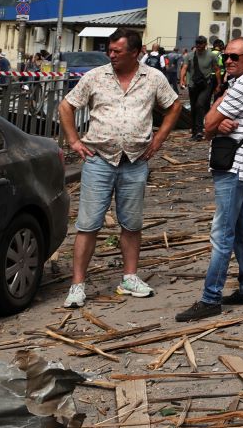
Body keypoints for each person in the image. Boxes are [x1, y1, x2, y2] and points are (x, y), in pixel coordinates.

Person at [58, 28, 181, 308]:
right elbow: (66, 106)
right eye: (110, 51)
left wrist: (159, 139)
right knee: (88, 224)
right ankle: (77, 285)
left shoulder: (153, 78)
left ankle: (129, 277)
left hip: (135, 161)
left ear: (136, 53)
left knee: (132, 223)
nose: (111, 55)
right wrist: (74, 141)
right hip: (99, 159)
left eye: (118, 51)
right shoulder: (95, 77)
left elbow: (174, 106)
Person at [175, 38, 243, 321]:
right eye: (225, 57)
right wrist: (217, 118)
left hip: (235, 167)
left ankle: (211, 297)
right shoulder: (240, 83)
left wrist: (216, 117)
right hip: (240, 166)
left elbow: (206, 122)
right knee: (241, 231)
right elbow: (211, 123)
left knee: (222, 234)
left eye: (234, 57)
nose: (228, 61)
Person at [181, 36, 221, 140]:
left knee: (200, 104)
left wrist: (218, 84)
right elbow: (184, 68)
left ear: (205, 44)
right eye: (197, 43)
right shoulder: (189, 56)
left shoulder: (211, 55)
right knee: (194, 108)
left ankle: (199, 131)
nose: (199, 45)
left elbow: (217, 70)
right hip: (193, 85)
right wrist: (182, 79)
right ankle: (195, 132)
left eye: (201, 43)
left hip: (206, 85)